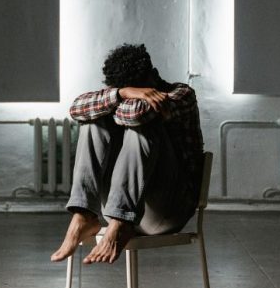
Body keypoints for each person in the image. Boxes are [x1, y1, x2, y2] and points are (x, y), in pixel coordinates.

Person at [50, 43, 204, 265]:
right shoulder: (122, 93)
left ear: (154, 76)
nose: (135, 95)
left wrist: (114, 100)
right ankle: (84, 215)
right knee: (92, 123)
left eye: (139, 89)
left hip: (167, 211)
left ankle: (121, 222)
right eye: (126, 90)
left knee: (143, 127)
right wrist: (122, 93)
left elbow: (140, 114)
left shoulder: (182, 94)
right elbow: (76, 108)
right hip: (117, 208)